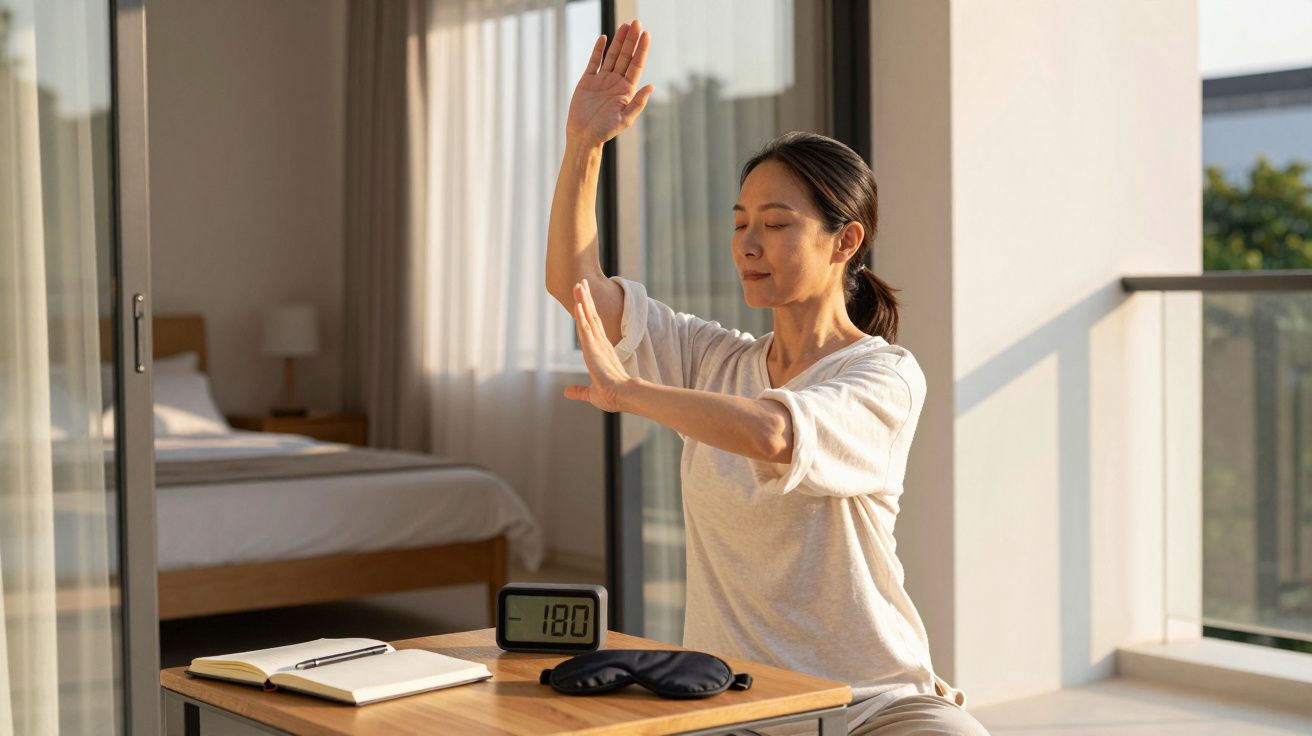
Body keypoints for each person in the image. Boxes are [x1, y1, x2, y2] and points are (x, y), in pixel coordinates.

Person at [545, 19, 990, 736]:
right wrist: (583, 148)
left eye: (777, 224)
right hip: (733, 702)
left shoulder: (885, 376)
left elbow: (775, 432)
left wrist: (628, 393)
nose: (748, 244)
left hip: (871, 699)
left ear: (845, 239)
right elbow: (575, 282)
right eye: (740, 221)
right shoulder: (712, 357)